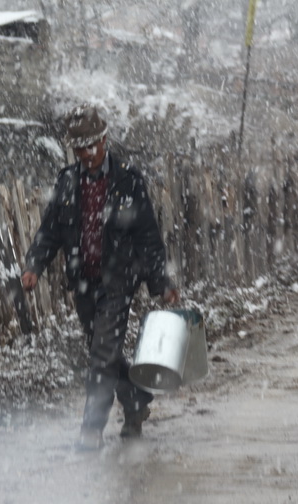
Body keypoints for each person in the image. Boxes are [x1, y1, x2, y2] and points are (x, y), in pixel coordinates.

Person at [21, 104, 180, 450]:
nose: (88, 154)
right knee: (103, 353)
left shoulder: (127, 180)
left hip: (119, 281)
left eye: (93, 146)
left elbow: (148, 236)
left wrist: (161, 282)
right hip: (84, 282)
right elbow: (49, 231)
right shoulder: (67, 182)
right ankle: (136, 402)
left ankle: (91, 430)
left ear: (105, 140)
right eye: (81, 148)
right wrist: (34, 265)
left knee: (101, 356)